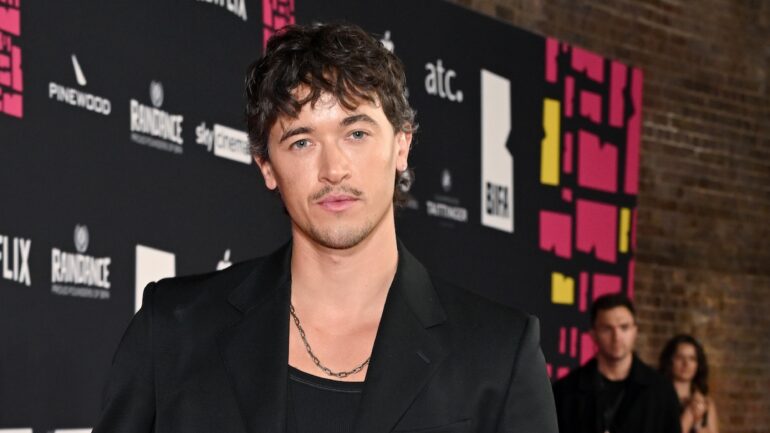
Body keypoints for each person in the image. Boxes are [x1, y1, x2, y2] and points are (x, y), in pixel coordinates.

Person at [93, 23, 558, 433]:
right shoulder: (175, 329)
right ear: (266, 166)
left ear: (401, 146)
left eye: (356, 133)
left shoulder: (497, 353)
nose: (333, 168)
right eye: (301, 141)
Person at [552, 294, 681, 433]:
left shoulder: (661, 390)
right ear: (593, 334)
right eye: (607, 328)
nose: (617, 337)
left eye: (624, 327)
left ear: (635, 331)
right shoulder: (566, 391)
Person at [659, 335, 720, 433]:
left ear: (698, 364)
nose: (686, 364)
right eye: (680, 357)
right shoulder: (658, 399)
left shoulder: (706, 403)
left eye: (692, 359)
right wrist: (690, 413)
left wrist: (698, 424)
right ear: (670, 361)